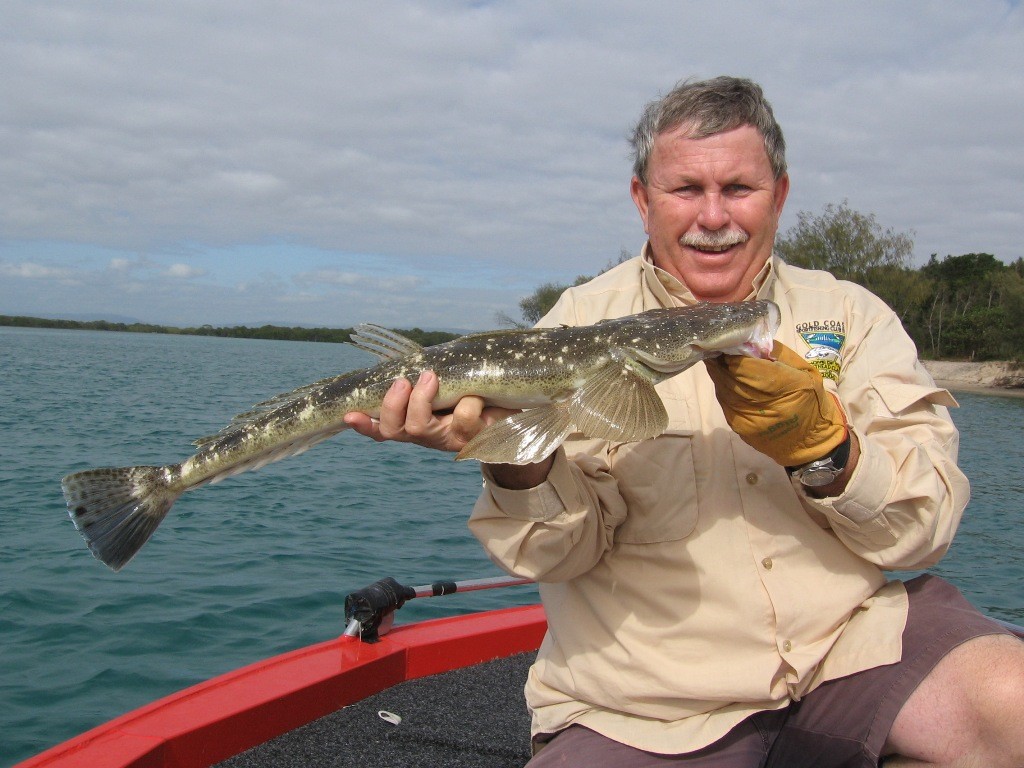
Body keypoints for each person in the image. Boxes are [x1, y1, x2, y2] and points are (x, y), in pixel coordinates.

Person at [344, 77, 1024, 767]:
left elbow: (921, 537)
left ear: (780, 196)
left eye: (738, 188)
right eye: (686, 189)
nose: (713, 216)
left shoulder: (852, 315)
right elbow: (560, 555)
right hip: (646, 699)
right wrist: (514, 458)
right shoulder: (572, 329)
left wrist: (827, 453)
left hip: (853, 647)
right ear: (643, 200)